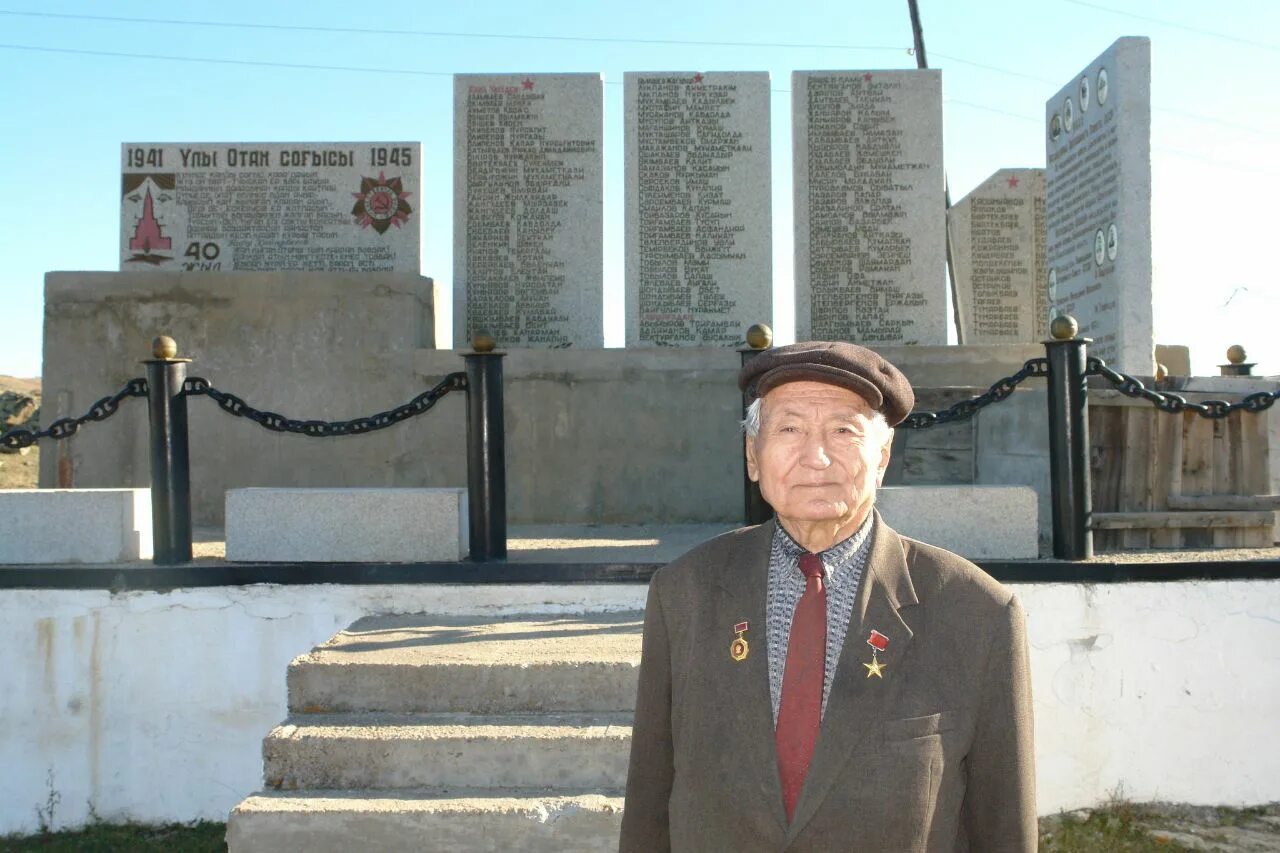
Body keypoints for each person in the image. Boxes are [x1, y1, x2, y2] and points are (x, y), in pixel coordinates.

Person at [620, 341, 1036, 852]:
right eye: (789, 428)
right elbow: (650, 795)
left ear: (882, 457)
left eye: (843, 430)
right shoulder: (684, 592)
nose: (815, 457)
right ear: (753, 456)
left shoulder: (976, 613)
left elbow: (1002, 825)